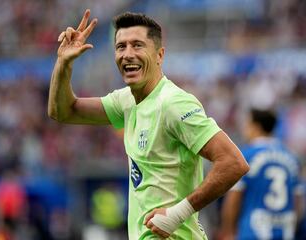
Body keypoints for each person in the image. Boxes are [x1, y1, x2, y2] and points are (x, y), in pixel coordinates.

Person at [48, 9, 249, 239]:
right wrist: (63, 63)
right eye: (121, 47)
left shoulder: (173, 103)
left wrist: (176, 214)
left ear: (159, 55)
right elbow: (62, 111)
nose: (128, 54)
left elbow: (234, 162)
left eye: (137, 45)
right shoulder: (125, 101)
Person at [220, 108, 303, 240]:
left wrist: (228, 231)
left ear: (256, 127)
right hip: (285, 232)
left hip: (252, 232)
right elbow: (298, 201)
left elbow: (234, 197)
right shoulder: (292, 158)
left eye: (247, 124)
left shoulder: (245, 156)